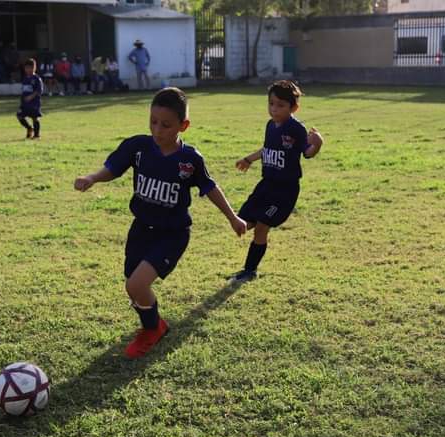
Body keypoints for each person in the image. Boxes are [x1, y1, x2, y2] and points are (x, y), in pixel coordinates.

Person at [73, 88, 247, 359]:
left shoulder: (190, 160)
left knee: (136, 286)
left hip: (172, 234)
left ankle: (152, 330)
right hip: (141, 229)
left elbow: (210, 187)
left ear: (183, 126)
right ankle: (155, 324)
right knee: (133, 284)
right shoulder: (138, 147)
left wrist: (233, 217)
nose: (157, 129)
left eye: (166, 125)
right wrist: (93, 178)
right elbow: (114, 167)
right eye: (153, 121)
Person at [229, 80, 324, 282]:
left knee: (262, 226)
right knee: (244, 222)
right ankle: (249, 266)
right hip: (266, 185)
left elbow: (307, 152)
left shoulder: (296, 128)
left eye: (280, 105)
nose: (274, 109)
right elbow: (267, 149)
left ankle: (249, 270)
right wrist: (249, 159)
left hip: (284, 190)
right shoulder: (270, 126)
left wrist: (317, 144)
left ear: (293, 108)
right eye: (271, 103)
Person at [17, 59, 43, 140]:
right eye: (26, 68)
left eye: (29, 68)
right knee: (19, 116)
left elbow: (39, 90)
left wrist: (31, 97)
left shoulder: (36, 79)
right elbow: (24, 90)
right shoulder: (25, 78)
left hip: (34, 103)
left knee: (35, 118)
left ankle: (36, 135)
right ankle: (29, 128)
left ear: (34, 68)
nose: (28, 70)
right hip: (25, 103)